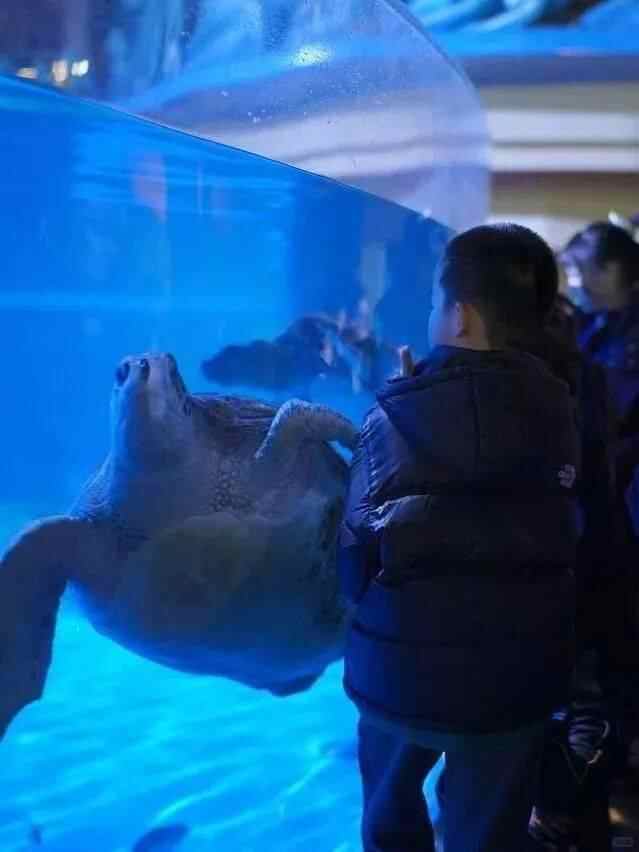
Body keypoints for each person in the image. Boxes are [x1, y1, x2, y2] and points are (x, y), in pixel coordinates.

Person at [338, 223, 581, 851]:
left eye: (433, 302)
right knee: (488, 831)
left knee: (390, 818)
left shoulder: (390, 413)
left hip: (399, 673)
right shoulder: (568, 410)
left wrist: (411, 394)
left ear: (460, 315)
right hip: (517, 679)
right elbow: (590, 538)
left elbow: (354, 556)